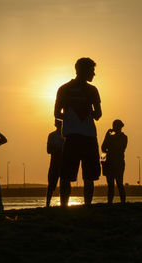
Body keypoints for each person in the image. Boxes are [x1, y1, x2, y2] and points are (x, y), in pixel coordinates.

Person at [54, 57, 102, 206]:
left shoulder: (63, 88)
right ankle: (87, 205)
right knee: (89, 176)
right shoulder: (92, 90)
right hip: (88, 136)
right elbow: (99, 114)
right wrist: (86, 114)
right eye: (92, 71)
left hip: (72, 136)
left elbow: (56, 113)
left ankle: (64, 206)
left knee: (66, 175)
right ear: (84, 71)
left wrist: (70, 116)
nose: (94, 74)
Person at [101, 119, 128, 204]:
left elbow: (119, 149)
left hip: (118, 163)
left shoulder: (124, 137)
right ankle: (109, 202)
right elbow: (103, 148)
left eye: (116, 126)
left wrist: (110, 137)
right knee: (110, 185)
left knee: (119, 183)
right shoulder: (109, 136)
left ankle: (123, 202)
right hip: (109, 163)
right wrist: (102, 161)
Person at [46, 119, 64, 207]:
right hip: (54, 161)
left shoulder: (67, 135)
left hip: (63, 161)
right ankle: (47, 204)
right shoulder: (52, 135)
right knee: (51, 184)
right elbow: (48, 150)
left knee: (63, 183)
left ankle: (63, 204)